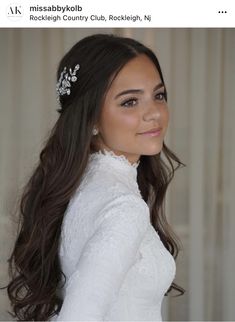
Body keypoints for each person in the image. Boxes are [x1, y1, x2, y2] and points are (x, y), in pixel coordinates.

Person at [3, 33, 185, 321]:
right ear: (91, 119)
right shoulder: (124, 207)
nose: (155, 113)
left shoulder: (78, 185)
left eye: (159, 95)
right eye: (130, 102)